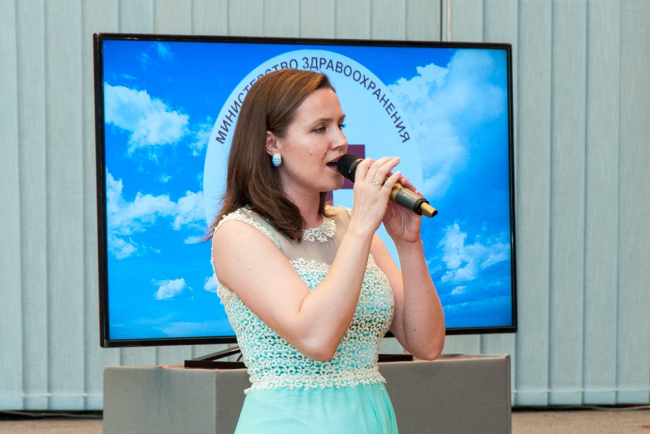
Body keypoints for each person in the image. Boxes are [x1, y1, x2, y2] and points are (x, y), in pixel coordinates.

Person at [210, 68, 445, 433]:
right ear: (272, 144)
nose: (341, 141)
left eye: (341, 125)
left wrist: (408, 243)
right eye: (320, 129)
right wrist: (363, 226)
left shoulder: (351, 226)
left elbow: (426, 344)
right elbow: (317, 339)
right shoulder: (240, 233)